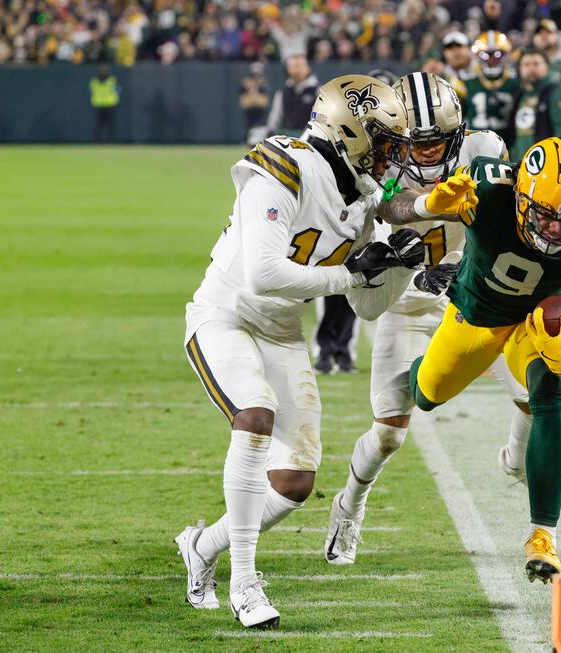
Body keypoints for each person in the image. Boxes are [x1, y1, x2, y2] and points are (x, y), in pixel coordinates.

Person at [172, 74, 470, 629]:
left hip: (282, 332)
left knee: (294, 485)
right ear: (350, 131)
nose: (393, 156)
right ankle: (244, 582)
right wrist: (349, 272)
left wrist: (397, 263)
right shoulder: (285, 164)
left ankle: (202, 547)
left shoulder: (362, 195)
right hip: (224, 316)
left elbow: (370, 308)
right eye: (385, 142)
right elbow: (262, 274)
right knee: (255, 416)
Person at [324, 72, 561, 565]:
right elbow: (389, 217)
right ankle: (349, 505)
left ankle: (519, 462)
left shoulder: (483, 148)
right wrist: (417, 250)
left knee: (534, 391)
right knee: (391, 430)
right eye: (417, 144)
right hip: (409, 299)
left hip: (478, 293)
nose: (428, 153)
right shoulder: (375, 163)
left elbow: (506, 214)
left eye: (439, 141)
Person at [384, 136, 561, 583]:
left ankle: (543, 537)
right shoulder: (487, 189)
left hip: (536, 321)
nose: (556, 230)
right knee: (426, 395)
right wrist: (425, 205)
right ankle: (417, 369)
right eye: (546, 215)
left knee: (549, 387)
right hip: (474, 314)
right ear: (521, 194)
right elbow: (392, 207)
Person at [509, 48, 561, 161]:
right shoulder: (520, 95)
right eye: (526, 64)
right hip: (520, 165)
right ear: (519, 69)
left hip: (546, 165)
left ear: (546, 67)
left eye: (536, 64)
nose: (531, 68)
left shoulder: (557, 92)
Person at [462, 31, 520, 142]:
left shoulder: (515, 84)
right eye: (486, 55)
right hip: (475, 145)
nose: (491, 59)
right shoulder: (467, 84)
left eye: (497, 54)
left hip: (507, 144)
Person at [265, 54, 319, 136]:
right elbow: (274, 120)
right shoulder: (282, 93)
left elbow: (318, 120)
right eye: (293, 66)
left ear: (308, 67)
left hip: (310, 138)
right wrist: (269, 134)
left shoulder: (318, 91)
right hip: (288, 139)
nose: (297, 70)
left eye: (299, 65)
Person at [239, 62, 269, 145]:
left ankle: (261, 140)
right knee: (248, 124)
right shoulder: (246, 80)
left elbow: (264, 94)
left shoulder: (263, 81)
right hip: (249, 106)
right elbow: (241, 90)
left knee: (261, 124)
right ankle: (247, 140)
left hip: (259, 106)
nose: (256, 75)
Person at [89, 65, 120, 143]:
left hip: (99, 105)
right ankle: (110, 141)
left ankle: (98, 141)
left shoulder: (94, 81)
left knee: (100, 125)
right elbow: (118, 90)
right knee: (109, 125)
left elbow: (92, 89)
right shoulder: (112, 80)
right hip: (110, 104)